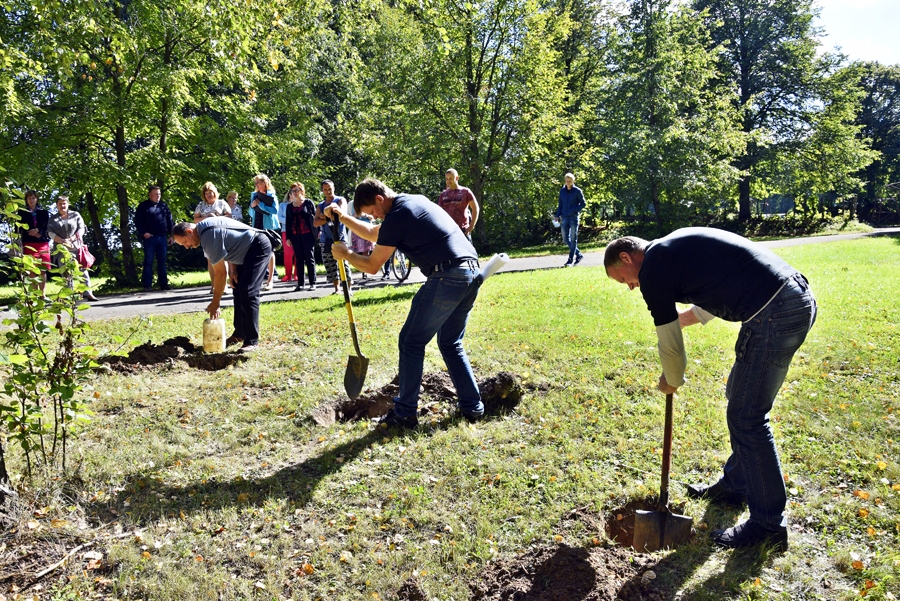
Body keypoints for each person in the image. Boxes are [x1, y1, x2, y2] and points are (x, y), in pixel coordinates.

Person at [604, 227, 817, 550]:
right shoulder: (673, 249)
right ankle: (736, 485)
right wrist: (680, 321)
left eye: (623, 279)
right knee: (740, 397)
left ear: (626, 257)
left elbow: (670, 345)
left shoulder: (653, 269)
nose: (632, 286)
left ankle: (768, 526)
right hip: (793, 299)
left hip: (773, 312)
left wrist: (672, 379)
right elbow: (719, 289)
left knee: (747, 417)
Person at [326, 178, 484, 428]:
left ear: (379, 199)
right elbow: (372, 232)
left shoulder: (397, 216)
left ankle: (406, 413)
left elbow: (372, 266)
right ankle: (473, 408)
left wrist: (346, 254)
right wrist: (341, 216)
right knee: (451, 342)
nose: (374, 217)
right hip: (472, 273)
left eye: (373, 212)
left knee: (411, 341)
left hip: (448, 276)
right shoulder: (412, 202)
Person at [172, 217, 272, 353]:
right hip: (244, 251)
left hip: (257, 246)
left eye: (184, 242)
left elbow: (220, 274)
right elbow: (230, 244)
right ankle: (240, 334)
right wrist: (234, 270)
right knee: (238, 290)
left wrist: (216, 303)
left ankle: (251, 340)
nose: (187, 247)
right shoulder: (204, 231)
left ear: (189, 231)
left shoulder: (208, 236)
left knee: (248, 292)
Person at [47, 195, 98, 301]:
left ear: (68, 204)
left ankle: (88, 293)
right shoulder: (52, 219)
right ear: (57, 205)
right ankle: (69, 296)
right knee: (65, 272)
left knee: (82, 270)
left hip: (76, 247)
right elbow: (50, 233)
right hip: (61, 249)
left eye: (64, 203)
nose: (62, 205)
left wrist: (72, 239)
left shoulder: (75, 215)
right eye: (60, 203)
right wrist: (63, 241)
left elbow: (81, 229)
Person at [313, 179, 352, 295]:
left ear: (333, 188)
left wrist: (323, 216)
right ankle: (337, 289)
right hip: (325, 239)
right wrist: (328, 216)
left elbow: (340, 215)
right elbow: (315, 223)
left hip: (340, 238)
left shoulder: (340, 200)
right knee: (330, 265)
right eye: (325, 189)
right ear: (322, 191)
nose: (328, 191)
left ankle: (348, 289)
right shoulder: (320, 205)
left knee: (344, 264)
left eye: (329, 189)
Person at [194, 182, 232, 293]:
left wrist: (217, 217)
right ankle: (214, 285)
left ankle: (224, 285)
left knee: (222, 258)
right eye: (206, 193)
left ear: (214, 192)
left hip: (221, 234)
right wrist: (206, 217)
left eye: (210, 192)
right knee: (210, 260)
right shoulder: (201, 205)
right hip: (206, 236)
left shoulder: (221, 203)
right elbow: (195, 220)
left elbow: (229, 216)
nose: (209, 195)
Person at [134, 185, 174, 292]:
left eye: (159, 194)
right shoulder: (143, 206)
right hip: (149, 238)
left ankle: (164, 284)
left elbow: (170, 222)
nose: (158, 196)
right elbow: (137, 221)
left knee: (162, 261)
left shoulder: (164, 206)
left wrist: (172, 235)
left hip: (162, 237)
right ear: (149, 195)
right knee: (148, 261)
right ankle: (147, 285)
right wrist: (144, 233)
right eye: (156, 194)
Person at [283, 182, 318, 292]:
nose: (295, 193)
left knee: (310, 258)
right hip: (295, 236)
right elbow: (288, 223)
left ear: (302, 191)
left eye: (297, 190)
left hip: (308, 234)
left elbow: (316, 218)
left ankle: (313, 283)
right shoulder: (289, 206)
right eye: (293, 191)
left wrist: (319, 231)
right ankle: (300, 284)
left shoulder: (308, 203)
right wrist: (288, 238)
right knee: (298, 259)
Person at [15, 190, 51, 295]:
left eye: (33, 198)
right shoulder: (21, 212)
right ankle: (34, 294)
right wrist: (30, 232)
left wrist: (39, 231)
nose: (32, 200)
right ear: (26, 200)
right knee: (32, 269)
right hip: (29, 243)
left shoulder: (44, 212)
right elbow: (18, 228)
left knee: (42, 269)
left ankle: (42, 294)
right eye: (29, 198)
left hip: (42, 243)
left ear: (37, 199)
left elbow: (47, 226)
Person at [248, 174, 279, 290]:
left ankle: (270, 280)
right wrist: (252, 205)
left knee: (270, 251)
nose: (256, 185)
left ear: (264, 183)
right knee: (258, 252)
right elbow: (250, 212)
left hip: (268, 226)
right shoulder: (254, 195)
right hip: (257, 225)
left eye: (258, 182)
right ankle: (259, 279)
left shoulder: (271, 195)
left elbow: (275, 210)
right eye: (255, 183)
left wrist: (260, 204)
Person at [437, 168, 480, 244]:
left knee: (468, 254)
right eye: (447, 179)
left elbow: (475, 208)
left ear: (456, 178)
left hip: (463, 230)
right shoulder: (443, 194)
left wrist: (471, 226)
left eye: (450, 178)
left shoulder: (465, 192)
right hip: (448, 231)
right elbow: (438, 213)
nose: (448, 181)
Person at [555, 173, 586, 267]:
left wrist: (574, 210)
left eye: (570, 181)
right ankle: (579, 254)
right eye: (567, 181)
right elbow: (560, 205)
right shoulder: (562, 191)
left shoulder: (577, 191)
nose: (568, 183)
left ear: (573, 181)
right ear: (565, 181)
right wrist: (557, 215)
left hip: (574, 217)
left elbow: (583, 203)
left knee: (573, 239)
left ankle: (570, 260)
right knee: (565, 239)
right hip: (564, 217)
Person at [277, 190, 297, 283]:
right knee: (288, 254)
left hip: (298, 232)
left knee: (298, 254)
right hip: (286, 231)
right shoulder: (282, 205)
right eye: (293, 193)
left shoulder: (299, 204)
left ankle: (297, 274)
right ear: (289, 195)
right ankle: (288, 275)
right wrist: (290, 222)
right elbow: (279, 218)